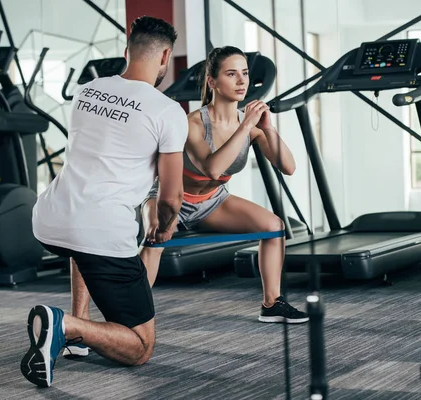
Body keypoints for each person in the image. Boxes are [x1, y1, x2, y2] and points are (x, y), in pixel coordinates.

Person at [64, 46, 309, 359]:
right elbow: (212, 168)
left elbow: (288, 167)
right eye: (231, 74)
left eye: (245, 74)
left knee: (273, 226)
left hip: (212, 202)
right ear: (212, 81)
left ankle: (272, 303)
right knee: (154, 239)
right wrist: (247, 126)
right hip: (168, 196)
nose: (241, 81)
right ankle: (126, 318)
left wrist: (267, 129)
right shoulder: (193, 123)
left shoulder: (249, 124)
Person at [20, 16, 187, 388]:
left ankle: (76, 339)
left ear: (128, 52)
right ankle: (65, 324)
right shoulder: (167, 111)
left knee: (82, 243)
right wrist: (163, 229)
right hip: (100, 232)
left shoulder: (88, 90)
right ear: (165, 57)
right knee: (141, 347)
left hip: (48, 219)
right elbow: (172, 196)